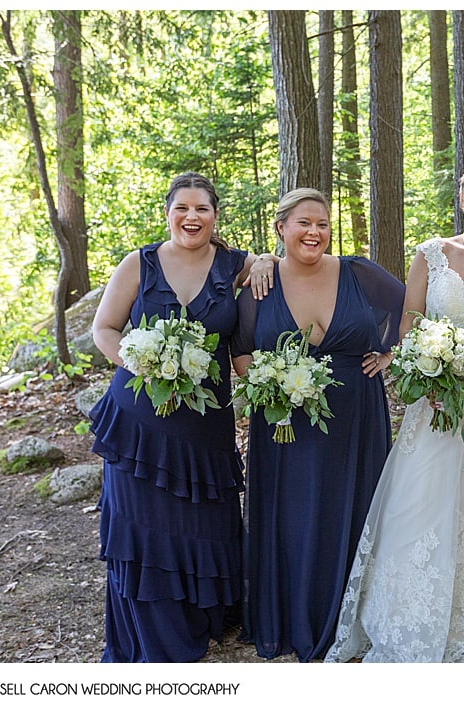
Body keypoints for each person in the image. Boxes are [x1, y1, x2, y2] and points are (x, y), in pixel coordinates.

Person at [324, 158, 464, 663]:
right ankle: (415, 609)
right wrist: (425, 377)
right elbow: (409, 327)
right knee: (425, 500)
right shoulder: (431, 253)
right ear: (462, 197)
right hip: (439, 397)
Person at [89, 171, 262, 662]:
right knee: (142, 522)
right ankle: (153, 631)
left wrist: (267, 260)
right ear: (167, 212)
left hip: (204, 426)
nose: (191, 217)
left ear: (215, 216)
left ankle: (204, 617)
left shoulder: (236, 265)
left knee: (203, 521)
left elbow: (275, 266)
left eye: (202, 209)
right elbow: (104, 328)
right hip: (138, 424)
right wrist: (138, 360)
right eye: (182, 208)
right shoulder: (137, 264)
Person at [231, 188, 405, 662]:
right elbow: (241, 350)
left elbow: (413, 308)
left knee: (354, 509)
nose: (314, 232)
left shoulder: (360, 273)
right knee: (294, 514)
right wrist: (272, 384)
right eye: (304, 223)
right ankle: (294, 615)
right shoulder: (259, 286)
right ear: (281, 228)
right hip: (286, 422)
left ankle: (353, 617)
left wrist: (390, 354)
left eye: (323, 224)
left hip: (355, 419)